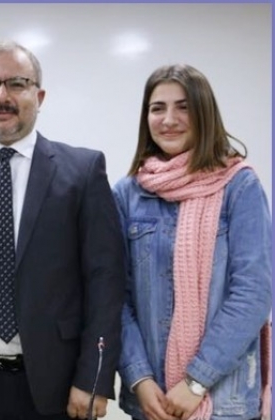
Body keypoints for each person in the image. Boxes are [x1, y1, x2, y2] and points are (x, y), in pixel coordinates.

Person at [0, 40, 125, 420]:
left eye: (17, 83)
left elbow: (106, 281)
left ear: (40, 95)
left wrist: (95, 377)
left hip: (57, 386)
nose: (2, 96)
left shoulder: (82, 172)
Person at [113, 64, 272, 420]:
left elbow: (254, 293)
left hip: (225, 403)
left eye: (183, 107)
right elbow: (115, 296)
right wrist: (139, 378)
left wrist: (197, 381)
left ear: (204, 113)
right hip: (152, 402)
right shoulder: (127, 194)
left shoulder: (240, 186)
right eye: (158, 108)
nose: (169, 119)